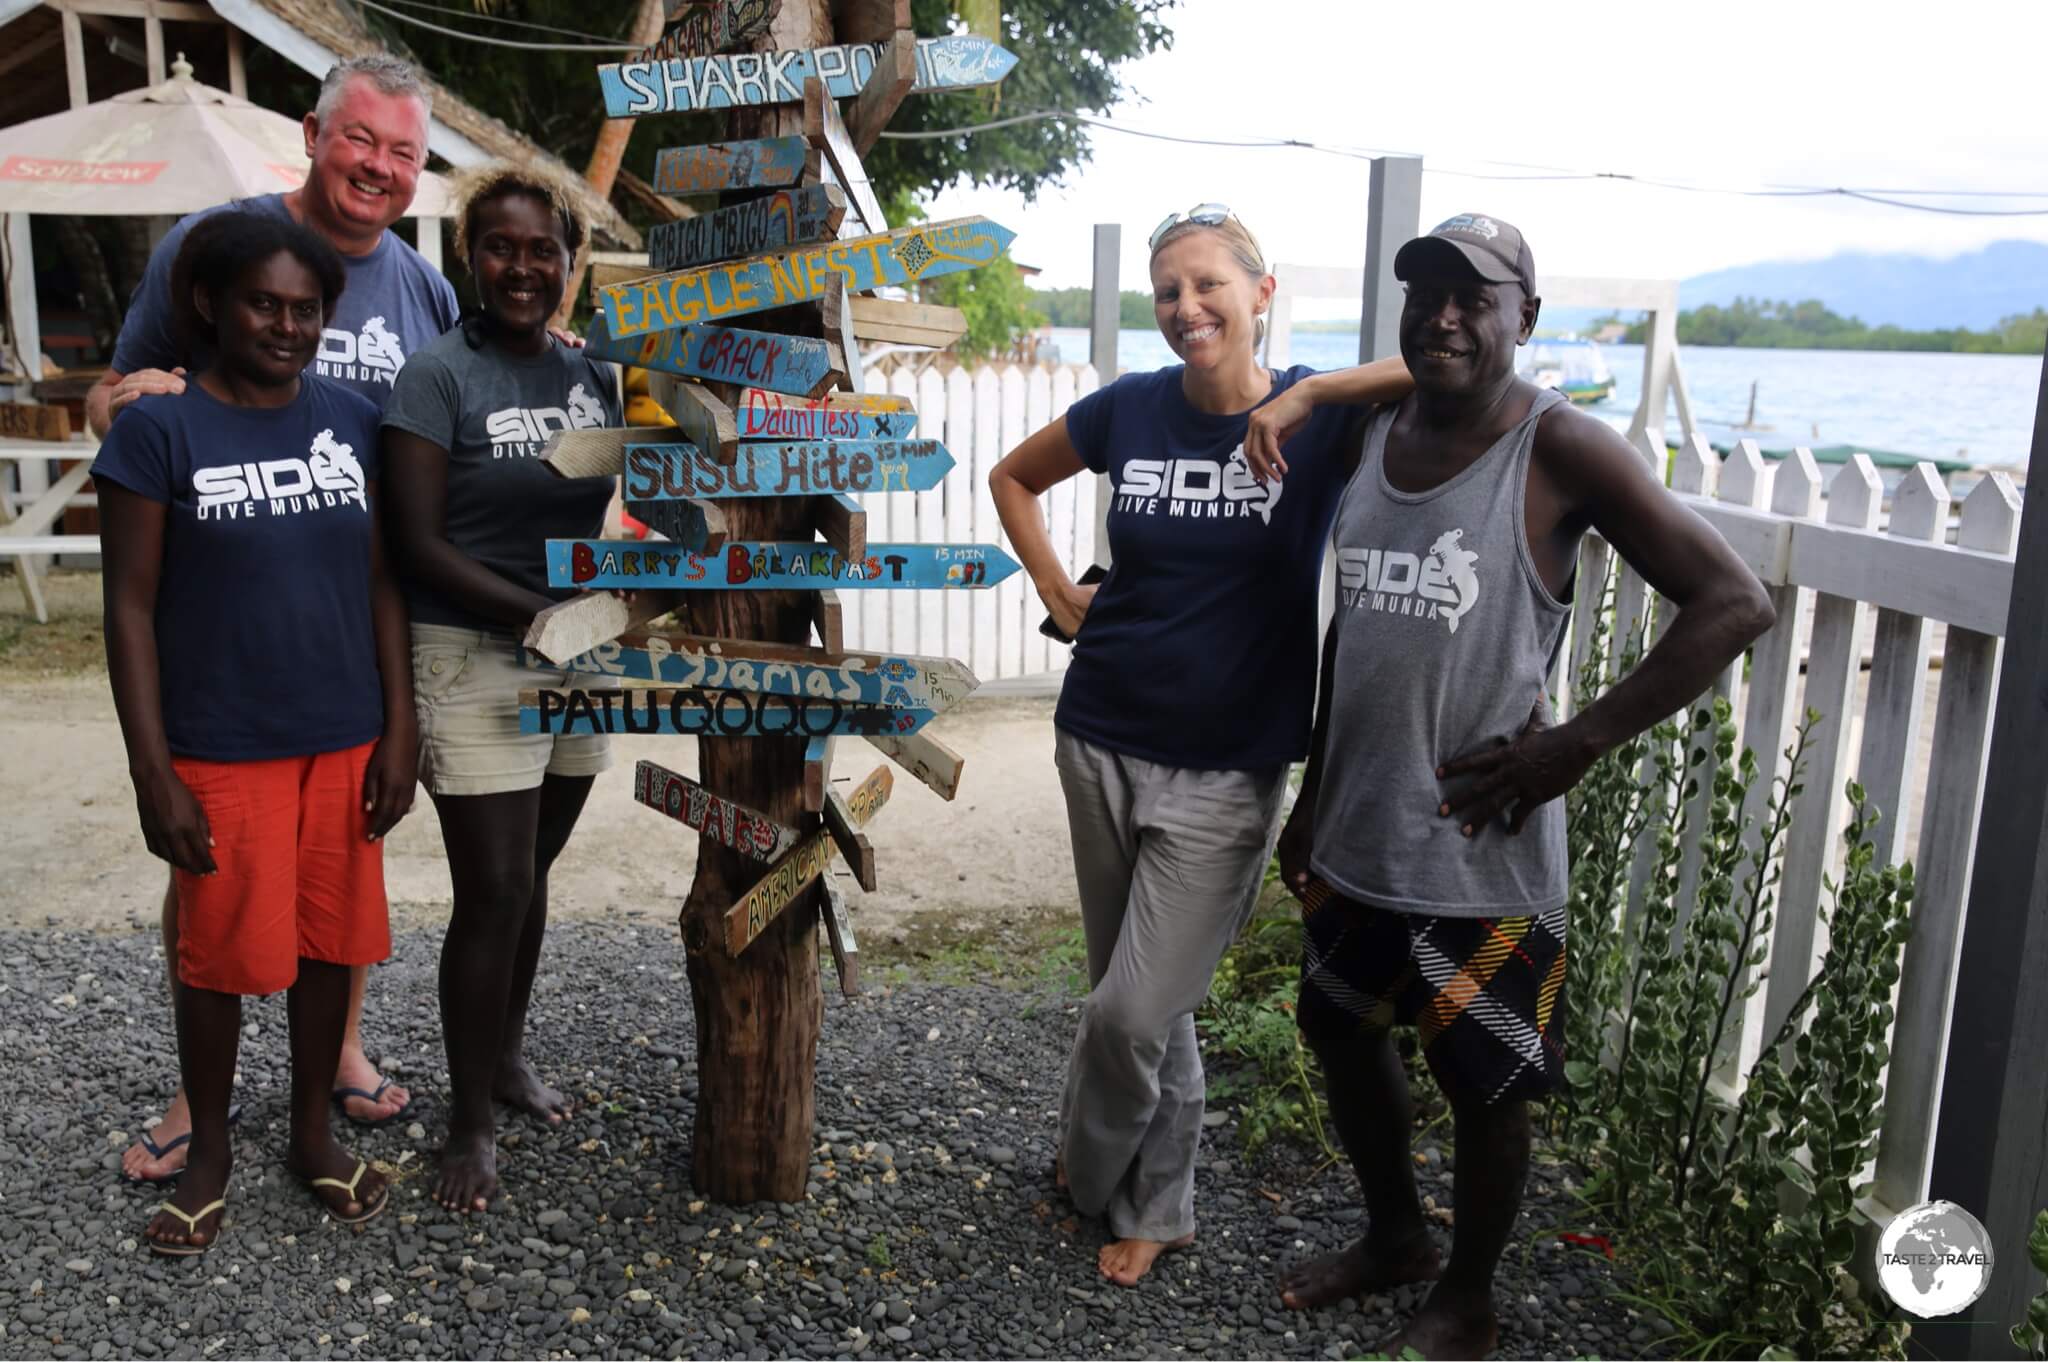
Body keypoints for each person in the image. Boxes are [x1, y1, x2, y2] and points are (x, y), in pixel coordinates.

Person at [1272, 214, 1774, 1358]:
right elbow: (1357, 622)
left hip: (1477, 847)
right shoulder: (1376, 435)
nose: (1445, 315)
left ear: (1524, 320)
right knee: (1339, 1032)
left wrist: (1575, 743)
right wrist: (1312, 791)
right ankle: (1395, 1234)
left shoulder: (1559, 447)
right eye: (1426, 293)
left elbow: (1734, 601)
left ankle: (1469, 1295)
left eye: (1475, 297)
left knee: (1488, 1087)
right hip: (1356, 833)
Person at [988, 203, 1413, 1287]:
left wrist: (1308, 390)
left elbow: (1435, 368)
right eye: (1167, 291)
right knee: (1138, 996)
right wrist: (1052, 586)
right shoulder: (1130, 409)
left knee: (1132, 1009)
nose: (1185, 309)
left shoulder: (1312, 420)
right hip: (1098, 737)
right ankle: (1161, 1203)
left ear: (1260, 294)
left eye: (1208, 285)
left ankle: (1087, 1174)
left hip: (1228, 766)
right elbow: (1011, 478)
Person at [100, 54, 459, 1182]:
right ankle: (198, 1109)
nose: (380, 167)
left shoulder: (417, 297)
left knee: (333, 915)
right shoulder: (206, 247)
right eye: (362, 140)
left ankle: (330, 1072)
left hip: (342, 691)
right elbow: (121, 403)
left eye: (404, 152)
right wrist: (150, 766)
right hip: (222, 693)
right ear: (314, 133)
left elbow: (422, 503)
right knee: (214, 903)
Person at [380, 161, 621, 1214]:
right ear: (469, 258)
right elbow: (415, 543)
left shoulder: (590, 375)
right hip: (473, 653)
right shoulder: (436, 376)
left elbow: (628, 488)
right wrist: (530, 614)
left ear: (568, 263)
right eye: (500, 247)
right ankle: (467, 1121)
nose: (520, 266)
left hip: (582, 649)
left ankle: (508, 1061)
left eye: (541, 250)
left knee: (532, 875)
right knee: (493, 891)